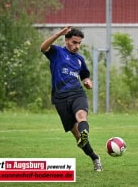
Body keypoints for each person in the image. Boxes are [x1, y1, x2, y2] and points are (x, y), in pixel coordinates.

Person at [40, 26, 102, 172]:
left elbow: (84, 75)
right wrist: (58, 33)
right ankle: (95, 157)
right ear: (66, 40)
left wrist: (87, 81)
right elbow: (43, 47)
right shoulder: (56, 52)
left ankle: (85, 135)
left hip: (77, 93)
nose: (77, 46)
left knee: (81, 116)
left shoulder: (80, 60)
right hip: (60, 98)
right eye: (74, 42)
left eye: (79, 43)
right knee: (76, 134)